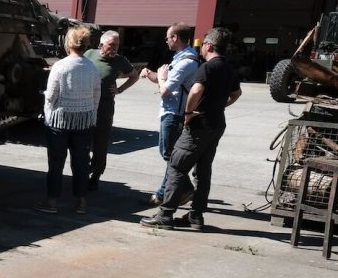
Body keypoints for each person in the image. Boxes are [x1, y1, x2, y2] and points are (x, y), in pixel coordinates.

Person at [140, 27, 243, 230]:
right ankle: (196, 217)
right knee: (203, 172)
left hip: (199, 126)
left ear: (210, 46)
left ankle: (166, 215)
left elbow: (196, 90)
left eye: (204, 44)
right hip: (216, 125)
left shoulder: (207, 67)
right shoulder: (229, 68)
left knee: (176, 166)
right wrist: (218, 106)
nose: (201, 48)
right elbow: (236, 93)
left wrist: (188, 114)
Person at [39, 25, 101, 215]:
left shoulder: (60, 66)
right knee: (81, 163)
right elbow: (96, 95)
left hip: (59, 121)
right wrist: (90, 113)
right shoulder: (92, 67)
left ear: (68, 43)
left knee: (56, 163)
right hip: (84, 121)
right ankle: (81, 202)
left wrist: (46, 106)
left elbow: (51, 96)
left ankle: (52, 202)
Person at [140, 23, 201, 206]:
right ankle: (173, 191)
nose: (166, 41)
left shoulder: (186, 62)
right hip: (169, 112)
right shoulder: (179, 58)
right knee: (169, 155)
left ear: (175, 38)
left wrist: (160, 77)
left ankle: (172, 192)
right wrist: (153, 75)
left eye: (167, 37)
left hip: (174, 114)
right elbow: (166, 83)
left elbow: (165, 89)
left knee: (170, 156)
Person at [84, 31, 140, 191]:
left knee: (101, 143)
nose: (115, 48)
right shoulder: (89, 54)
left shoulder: (120, 61)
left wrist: (120, 89)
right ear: (101, 45)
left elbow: (134, 76)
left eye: (117, 45)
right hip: (86, 105)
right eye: (111, 45)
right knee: (83, 140)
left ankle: (95, 175)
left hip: (105, 108)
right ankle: (83, 170)